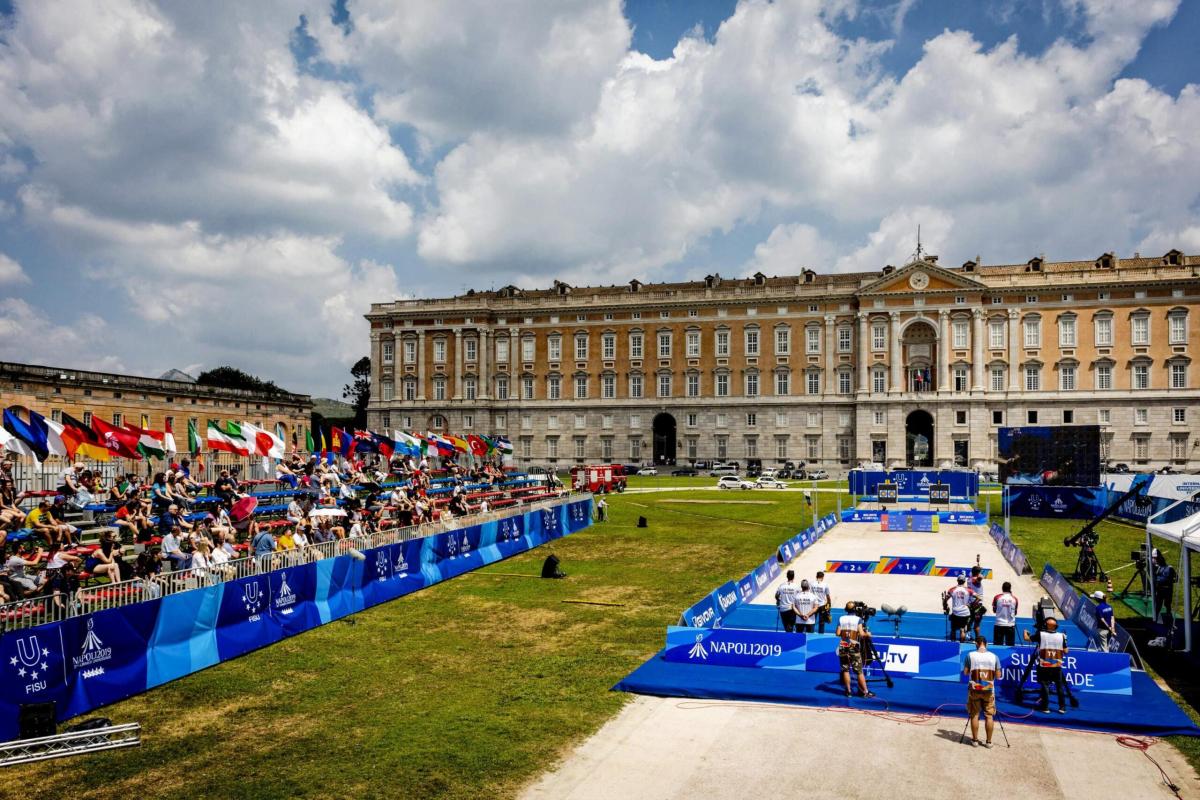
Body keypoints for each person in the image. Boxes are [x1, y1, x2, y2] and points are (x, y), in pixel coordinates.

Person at [963, 635, 1001, 748]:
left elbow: (965, 673)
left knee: (974, 715)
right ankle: (988, 742)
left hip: (974, 690)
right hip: (989, 691)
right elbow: (999, 676)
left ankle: (974, 741)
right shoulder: (994, 657)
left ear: (976, 644)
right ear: (987, 644)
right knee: (989, 716)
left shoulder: (970, 655)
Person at [1029, 617, 1068, 714]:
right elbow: (1066, 651)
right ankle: (1062, 708)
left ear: (1045, 625)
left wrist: (1025, 632)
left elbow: (1027, 639)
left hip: (1044, 665)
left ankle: (1045, 708)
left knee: (1045, 686)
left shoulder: (1041, 634)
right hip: (1057, 665)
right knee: (1059, 687)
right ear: (1056, 626)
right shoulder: (1062, 636)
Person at [837, 602, 874, 699]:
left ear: (846, 609)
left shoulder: (841, 619)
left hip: (843, 646)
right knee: (859, 672)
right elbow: (861, 634)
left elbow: (837, 633)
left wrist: (846, 634)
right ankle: (865, 692)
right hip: (854, 647)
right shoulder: (859, 619)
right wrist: (868, 634)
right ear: (855, 610)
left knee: (845, 670)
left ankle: (848, 692)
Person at [943, 575, 973, 642]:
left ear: (957, 581)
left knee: (953, 629)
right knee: (962, 629)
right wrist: (971, 605)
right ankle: (962, 644)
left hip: (956, 613)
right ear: (964, 581)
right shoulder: (968, 590)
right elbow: (979, 597)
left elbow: (945, 600)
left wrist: (945, 606)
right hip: (965, 613)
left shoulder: (952, 589)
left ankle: (953, 643)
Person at [1153, 550, 1177, 629]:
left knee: (1167, 606)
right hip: (1160, 590)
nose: (1154, 560)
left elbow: (1175, 578)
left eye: (1155, 558)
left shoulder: (1169, 568)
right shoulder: (1158, 568)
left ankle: (1170, 623)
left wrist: (1168, 581)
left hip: (1167, 590)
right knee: (1158, 606)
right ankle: (1156, 620)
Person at [992, 582, 1019, 646]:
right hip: (1010, 625)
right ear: (1010, 589)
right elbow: (1015, 613)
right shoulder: (1015, 599)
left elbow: (994, 610)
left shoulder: (997, 597)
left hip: (999, 624)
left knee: (997, 646)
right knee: (1010, 646)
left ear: (1002, 588)